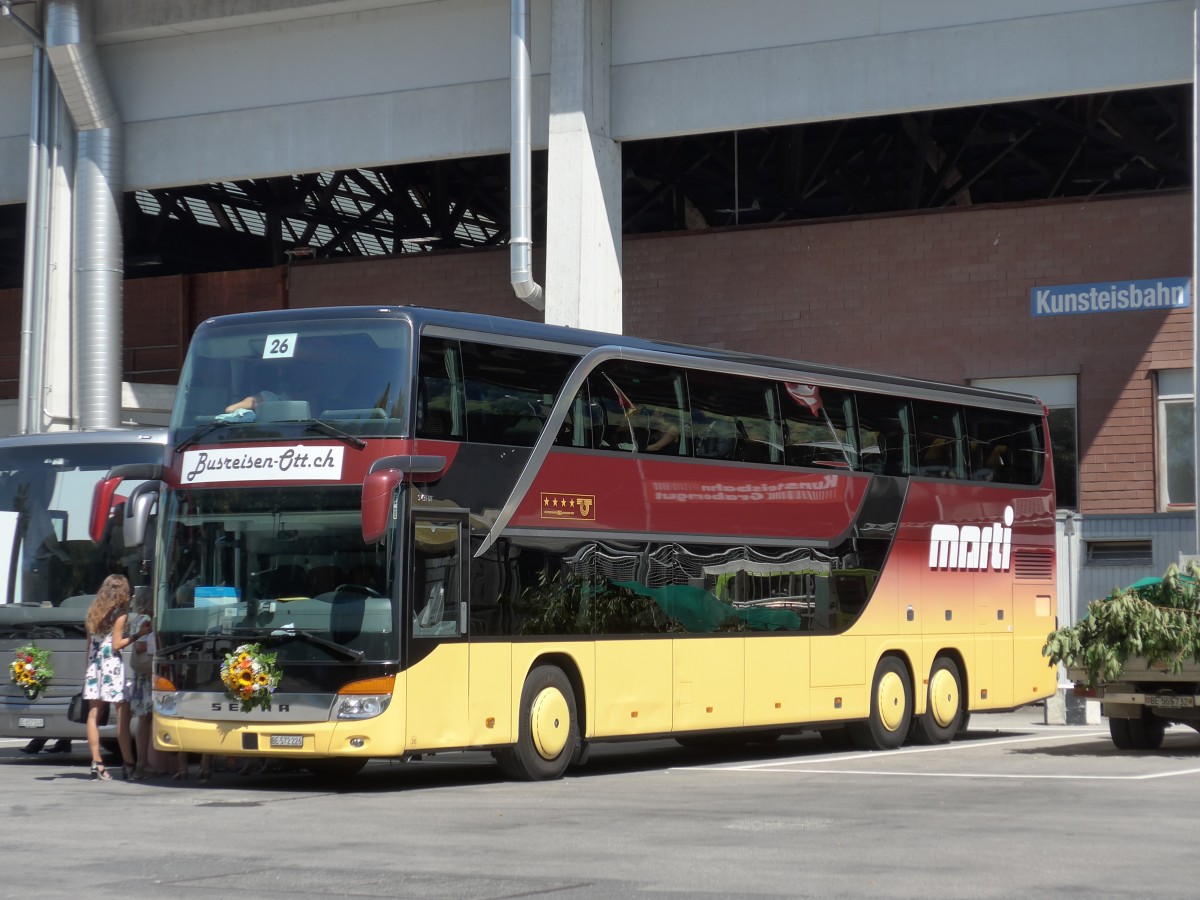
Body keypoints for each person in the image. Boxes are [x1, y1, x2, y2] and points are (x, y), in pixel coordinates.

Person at [82, 574, 149, 781]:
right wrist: (137, 635)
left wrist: (88, 670)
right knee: (123, 714)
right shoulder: (119, 614)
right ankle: (128, 763)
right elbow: (116, 645)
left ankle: (97, 763)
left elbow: (89, 645)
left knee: (93, 714)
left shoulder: (93, 612)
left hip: (94, 665)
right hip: (111, 667)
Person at [126, 586, 163, 780]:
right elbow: (142, 645)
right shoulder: (146, 620)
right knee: (146, 719)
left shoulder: (135, 619)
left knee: (144, 719)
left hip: (140, 677)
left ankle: (144, 761)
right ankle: (142, 762)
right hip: (148, 677)